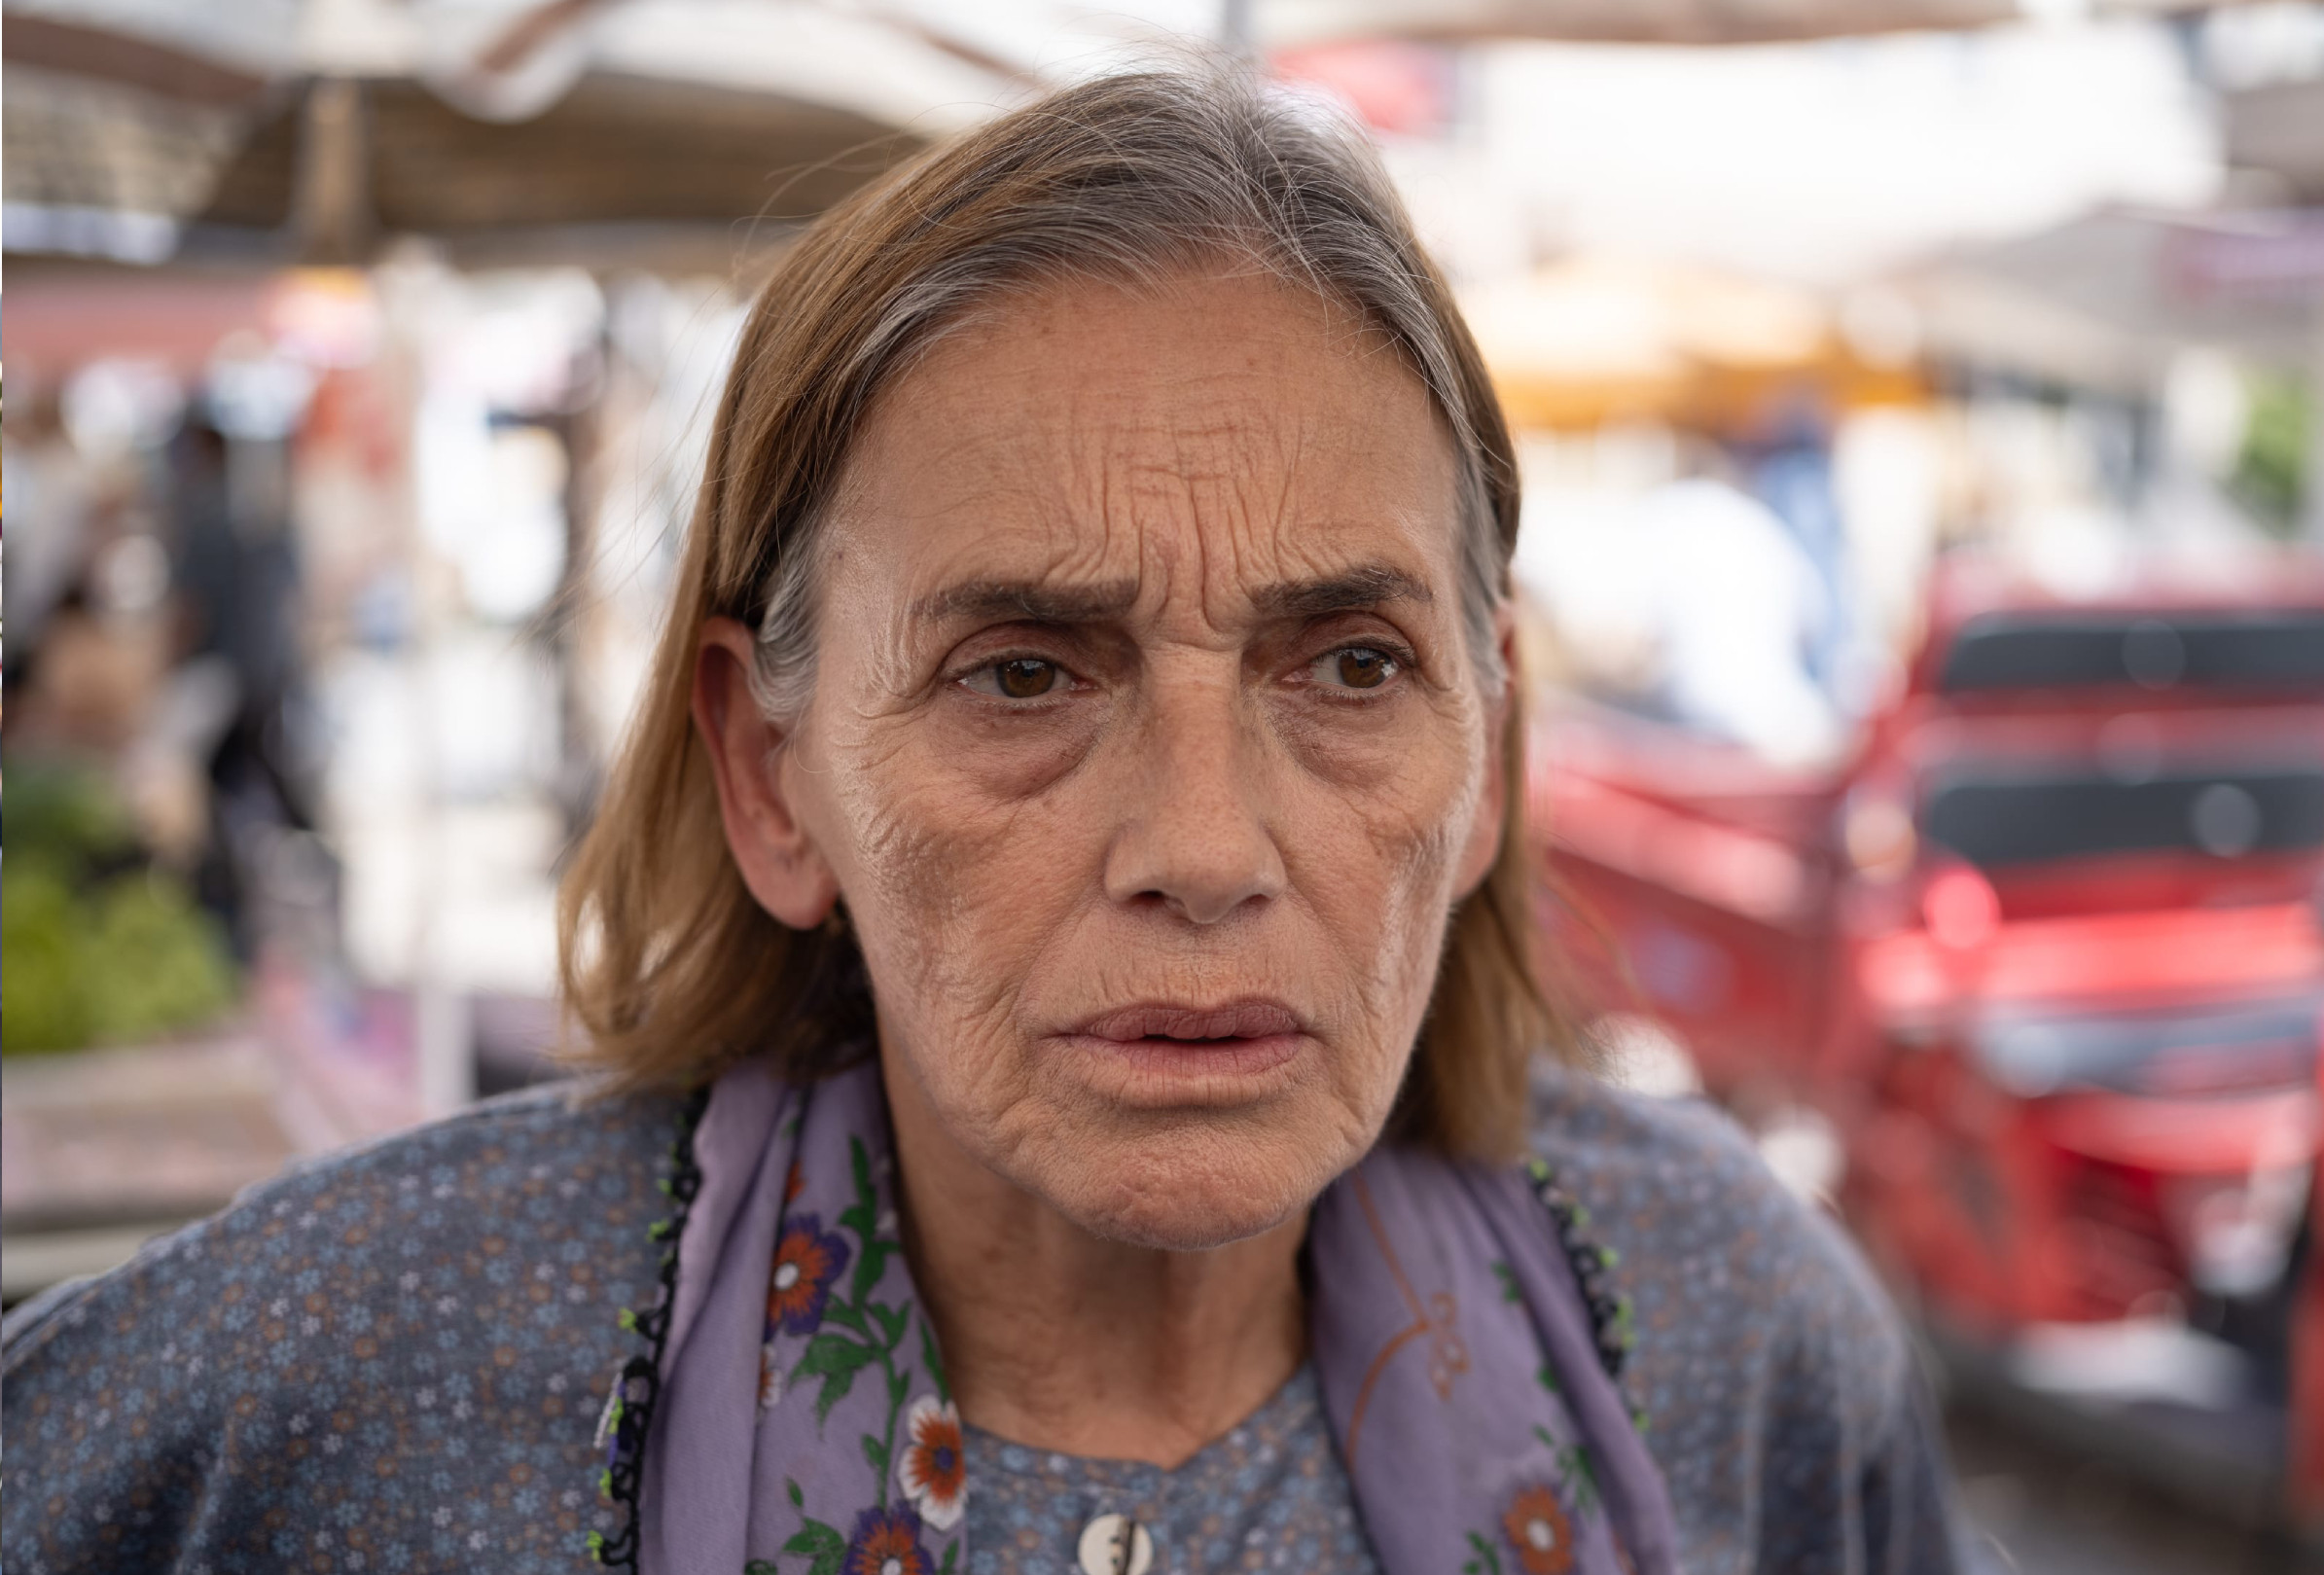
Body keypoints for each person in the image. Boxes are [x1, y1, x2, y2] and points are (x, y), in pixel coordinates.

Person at [2, 64, 1965, 1575]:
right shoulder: (364, 1384)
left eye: (1353, 667)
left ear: (1490, 758)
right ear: (770, 775)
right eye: (1024, 674)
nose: (1204, 849)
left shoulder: (1730, 1331)